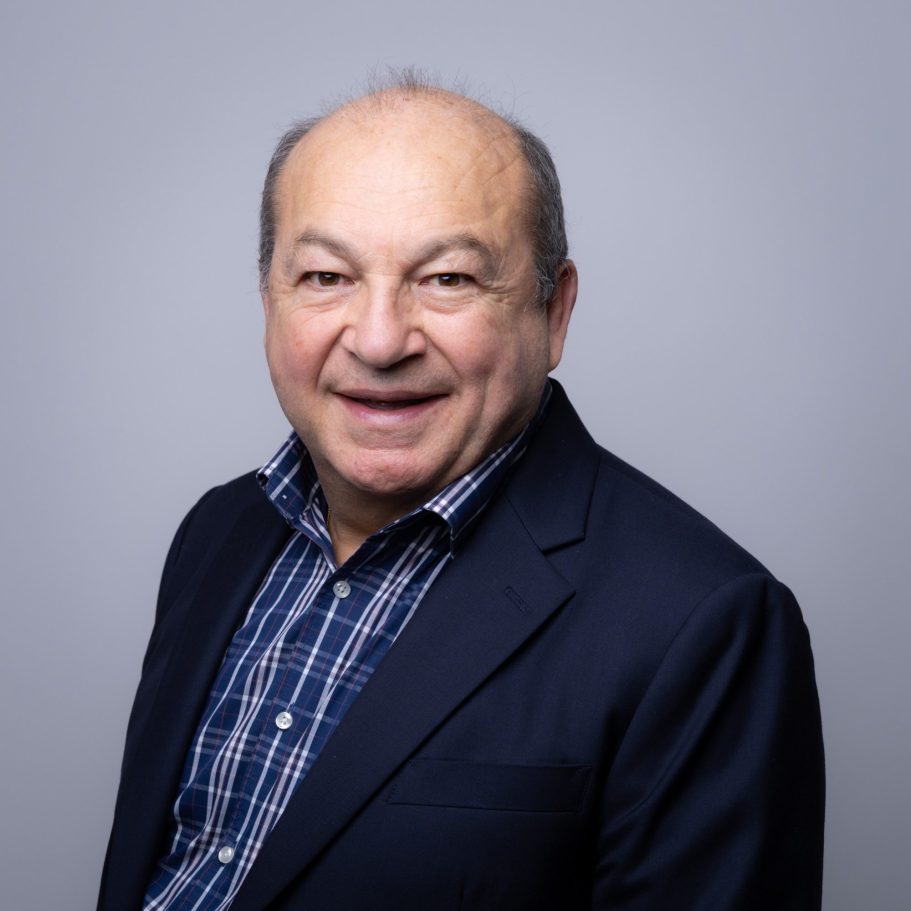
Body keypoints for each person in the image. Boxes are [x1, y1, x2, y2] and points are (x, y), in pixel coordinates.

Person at [98, 74, 824, 911]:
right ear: (269, 298)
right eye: (327, 276)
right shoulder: (220, 530)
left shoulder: (703, 624)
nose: (379, 340)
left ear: (554, 313)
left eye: (447, 279)